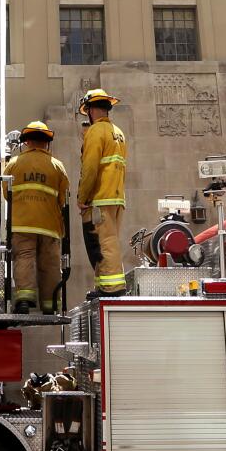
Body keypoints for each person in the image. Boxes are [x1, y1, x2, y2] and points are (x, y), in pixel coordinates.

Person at [4, 120, 71, 314]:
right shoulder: (57, 166)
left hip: (22, 224)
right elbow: (63, 198)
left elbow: (5, 192)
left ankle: (24, 299)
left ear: (27, 142)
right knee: (49, 265)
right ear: (46, 143)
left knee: (24, 258)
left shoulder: (14, 164)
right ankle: (50, 306)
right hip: (49, 226)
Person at [76, 88, 129, 298]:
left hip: (100, 197)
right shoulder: (119, 133)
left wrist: (82, 198)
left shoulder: (96, 132)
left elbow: (89, 169)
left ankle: (112, 288)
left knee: (103, 242)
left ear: (89, 110)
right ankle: (103, 287)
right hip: (116, 197)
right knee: (108, 241)